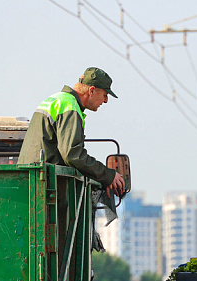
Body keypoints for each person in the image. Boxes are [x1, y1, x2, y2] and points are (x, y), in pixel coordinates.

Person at [18, 67, 125, 198]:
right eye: (105, 95)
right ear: (91, 91)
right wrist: (108, 176)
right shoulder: (70, 106)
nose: (106, 100)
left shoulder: (57, 99)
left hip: (29, 180)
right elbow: (72, 154)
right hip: (46, 187)